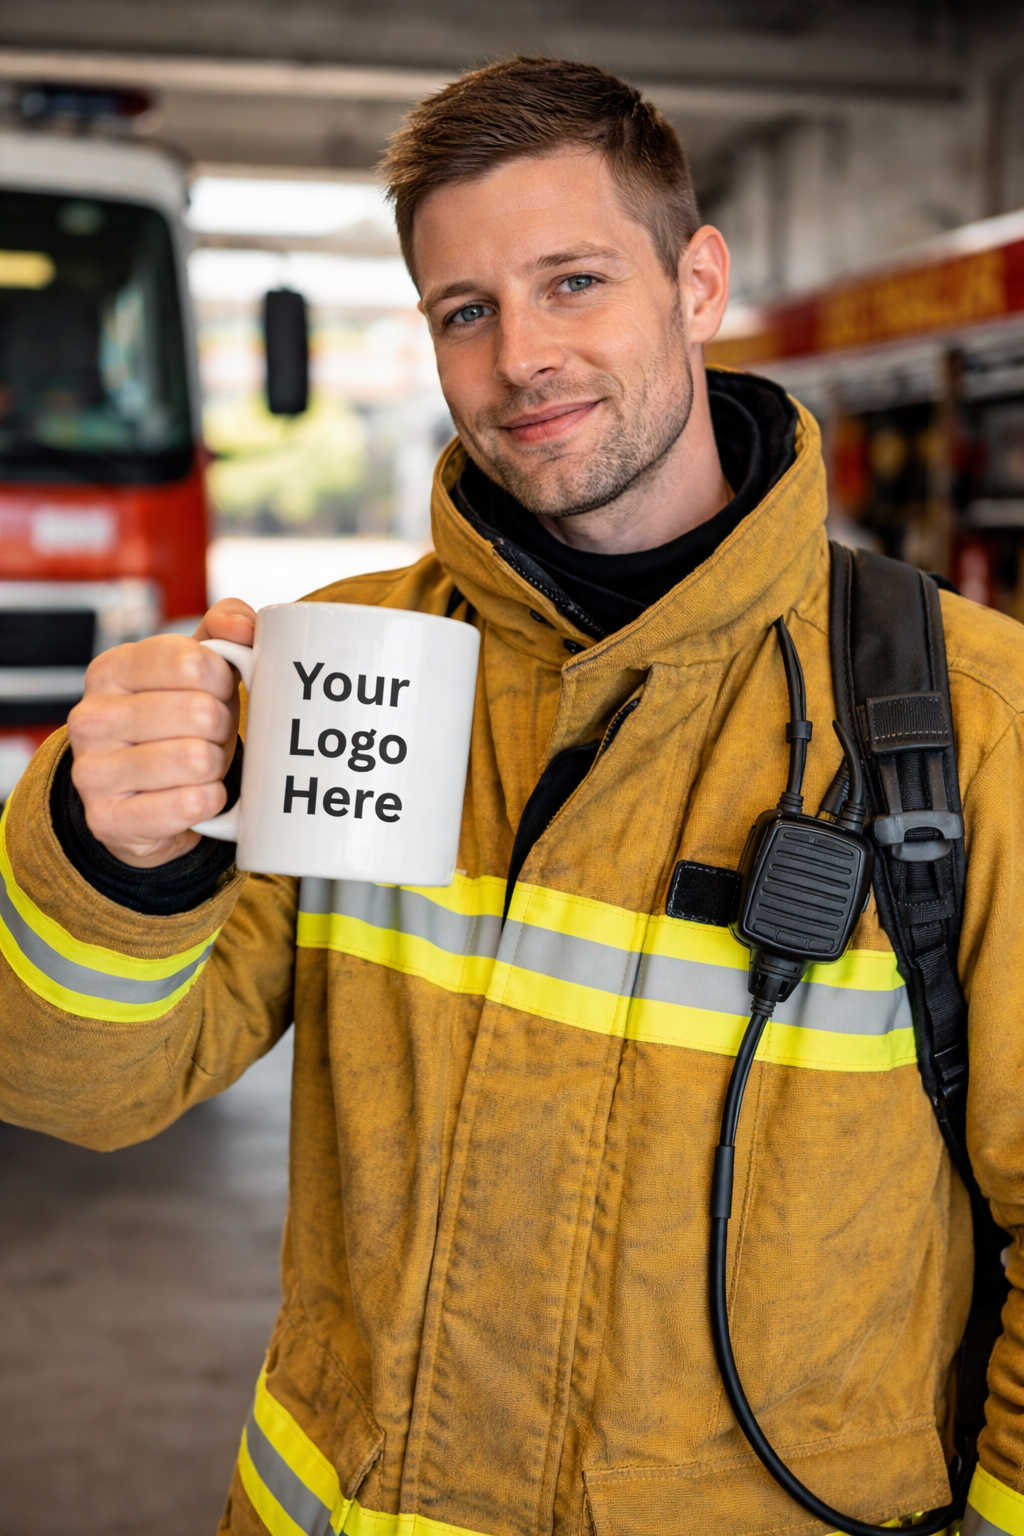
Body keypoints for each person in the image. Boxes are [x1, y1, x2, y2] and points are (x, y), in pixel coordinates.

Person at [1, 55, 1022, 1536]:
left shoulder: (969, 724)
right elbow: (76, 1091)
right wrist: (119, 854)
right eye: (463, 312)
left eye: (574, 283)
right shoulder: (347, 664)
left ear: (697, 282)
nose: (520, 358)